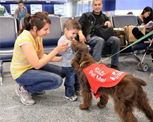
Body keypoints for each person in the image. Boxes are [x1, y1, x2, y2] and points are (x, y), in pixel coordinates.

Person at [10, 11, 70, 106]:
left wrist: (59, 59)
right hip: (21, 73)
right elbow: (37, 64)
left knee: (63, 72)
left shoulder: (38, 36)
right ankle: (24, 89)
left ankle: (35, 87)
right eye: (45, 29)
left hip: (31, 67)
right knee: (56, 81)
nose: (48, 32)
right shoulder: (25, 39)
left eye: (48, 28)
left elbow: (41, 56)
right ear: (35, 28)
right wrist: (56, 50)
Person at [78, 0, 120, 70]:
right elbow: (78, 26)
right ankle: (95, 66)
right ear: (92, 6)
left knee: (116, 40)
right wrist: (80, 34)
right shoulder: (86, 15)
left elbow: (110, 29)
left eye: (99, 5)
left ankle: (114, 65)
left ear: (101, 5)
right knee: (100, 40)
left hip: (103, 36)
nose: (97, 7)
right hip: (91, 36)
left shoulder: (105, 17)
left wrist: (109, 24)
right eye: (95, 5)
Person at [58, 19, 81, 101]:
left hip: (75, 64)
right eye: (73, 33)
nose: (74, 35)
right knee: (70, 81)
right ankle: (69, 95)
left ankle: (77, 90)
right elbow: (60, 51)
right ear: (65, 30)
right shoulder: (62, 40)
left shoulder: (72, 39)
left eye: (76, 33)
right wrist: (67, 45)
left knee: (77, 79)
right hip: (68, 65)